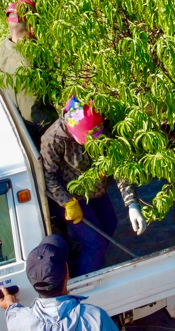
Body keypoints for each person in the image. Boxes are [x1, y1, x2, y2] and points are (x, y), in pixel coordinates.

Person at [40, 97, 147, 277]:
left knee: (109, 225)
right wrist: (67, 202)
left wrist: (132, 204)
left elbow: (119, 166)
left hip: (96, 191)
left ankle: (87, 259)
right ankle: (83, 284)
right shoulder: (53, 139)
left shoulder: (104, 127)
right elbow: (48, 176)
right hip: (71, 198)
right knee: (95, 243)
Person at [0, 234, 119, 331]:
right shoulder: (95, 318)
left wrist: (10, 304)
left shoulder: (18, 321)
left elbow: (14, 314)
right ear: (67, 273)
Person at [0, 0, 56, 141]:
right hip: (35, 128)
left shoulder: (4, 46)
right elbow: (31, 111)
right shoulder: (28, 64)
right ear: (31, 28)